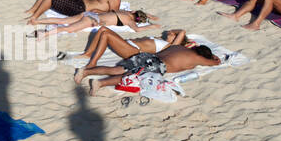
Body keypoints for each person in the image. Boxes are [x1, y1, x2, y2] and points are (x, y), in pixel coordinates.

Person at [79, 40, 223, 94]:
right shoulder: (198, 59)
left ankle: (85, 72)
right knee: (128, 77)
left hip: (148, 56)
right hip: (157, 65)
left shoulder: (179, 47)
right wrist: (213, 58)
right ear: (204, 55)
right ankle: (100, 83)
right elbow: (216, 62)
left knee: (115, 70)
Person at [72, 27, 189, 84]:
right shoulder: (161, 39)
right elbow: (173, 32)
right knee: (103, 29)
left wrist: (183, 37)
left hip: (134, 51)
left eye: (174, 34)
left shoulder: (169, 47)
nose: (171, 33)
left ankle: (92, 63)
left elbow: (182, 31)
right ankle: (88, 54)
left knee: (105, 34)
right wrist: (173, 33)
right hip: (128, 44)